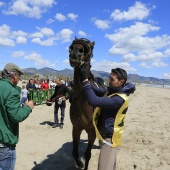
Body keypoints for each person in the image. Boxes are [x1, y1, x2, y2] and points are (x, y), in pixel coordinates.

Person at [79, 67, 136, 170]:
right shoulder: (110, 91)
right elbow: (96, 90)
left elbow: (94, 101)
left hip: (110, 140)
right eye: (109, 78)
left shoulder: (119, 99)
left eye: (112, 79)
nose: (109, 81)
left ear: (121, 81)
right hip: (103, 136)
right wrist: (87, 78)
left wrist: (85, 82)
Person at [0, 63, 34, 170]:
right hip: (5, 143)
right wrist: (28, 107)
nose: (19, 79)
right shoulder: (11, 91)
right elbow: (16, 116)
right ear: (14, 75)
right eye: (19, 76)